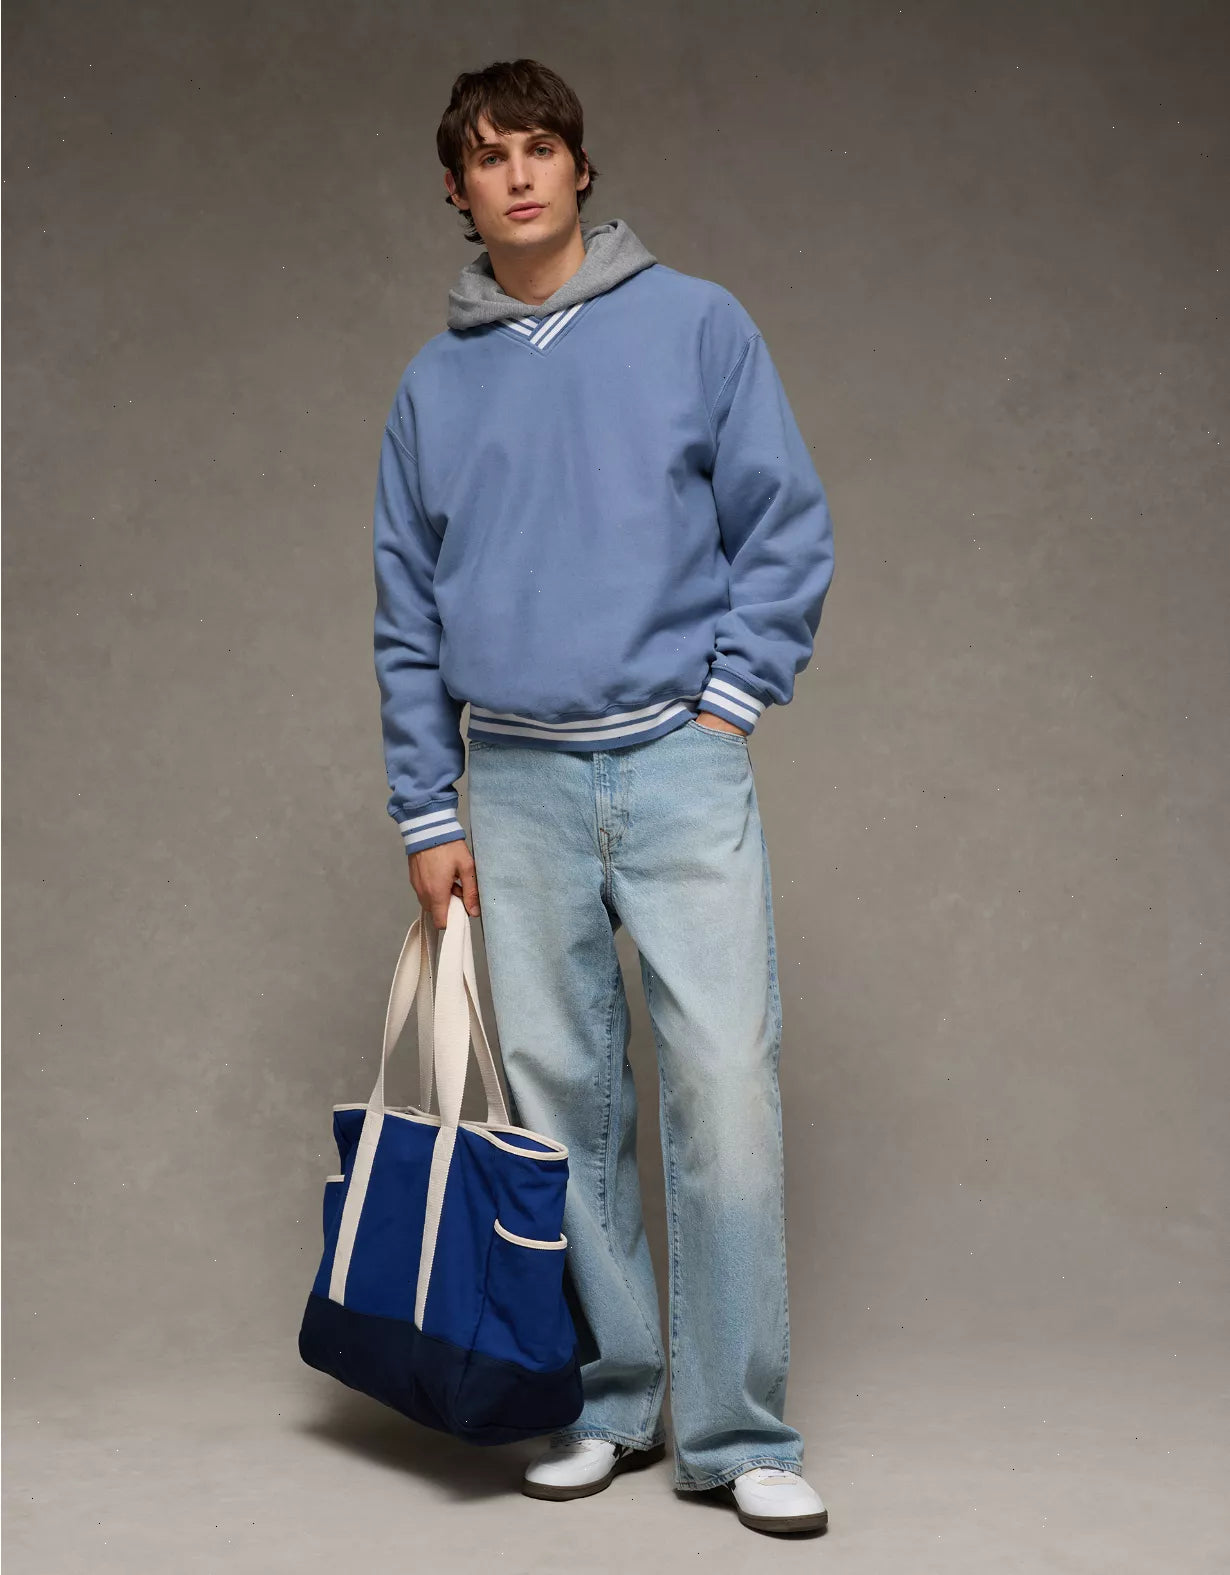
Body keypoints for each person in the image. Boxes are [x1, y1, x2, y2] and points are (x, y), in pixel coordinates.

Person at [371, 57, 835, 1537]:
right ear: (457, 191)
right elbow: (403, 614)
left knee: (725, 1090)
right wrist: (428, 810)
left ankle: (741, 1434)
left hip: (679, 768)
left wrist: (730, 700)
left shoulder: (698, 324)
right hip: (511, 784)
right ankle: (613, 1403)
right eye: (487, 156)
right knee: (563, 1111)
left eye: (539, 148)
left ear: (579, 167)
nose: (517, 174)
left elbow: (783, 523)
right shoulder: (432, 386)